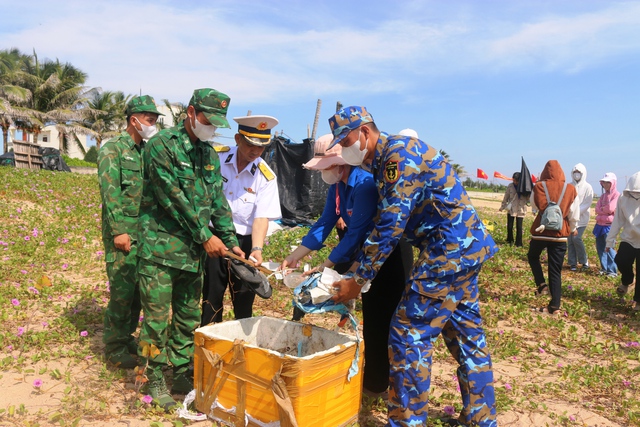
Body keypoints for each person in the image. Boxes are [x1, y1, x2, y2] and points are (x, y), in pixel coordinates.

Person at [328, 106, 498, 427]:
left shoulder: (397, 156)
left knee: (408, 335)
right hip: (462, 248)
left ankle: (407, 422)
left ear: (365, 132)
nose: (343, 147)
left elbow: (390, 224)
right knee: (466, 336)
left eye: (346, 139)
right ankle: (481, 419)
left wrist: (358, 279)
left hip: (447, 250)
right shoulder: (383, 160)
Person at [280, 134, 413, 398]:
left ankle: (396, 388)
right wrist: (297, 254)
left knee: (391, 320)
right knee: (373, 319)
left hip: (387, 258)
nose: (322, 173)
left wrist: (326, 266)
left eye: (325, 167)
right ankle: (375, 383)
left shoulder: (363, 185)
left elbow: (355, 234)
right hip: (365, 257)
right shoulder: (337, 188)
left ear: (341, 164)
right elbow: (324, 223)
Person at [136, 88, 243, 411]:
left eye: (216, 123)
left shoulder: (209, 155)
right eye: (208, 120)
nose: (211, 127)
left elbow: (217, 203)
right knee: (156, 320)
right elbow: (170, 197)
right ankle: (152, 376)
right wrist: (204, 236)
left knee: (186, 318)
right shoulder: (160, 146)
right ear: (192, 112)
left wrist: (232, 241)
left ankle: (181, 372)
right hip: (159, 250)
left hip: (191, 255)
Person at [98, 95, 163, 369]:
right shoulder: (111, 148)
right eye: (150, 120)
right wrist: (118, 231)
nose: (153, 124)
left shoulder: (146, 151)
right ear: (133, 120)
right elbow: (110, 192)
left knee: (138, 290)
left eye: (155, 120)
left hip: (144, 233)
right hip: (123, 233)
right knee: (122, 291)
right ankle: (114, 346)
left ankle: (127, 339)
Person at [201, 115, 282, 325]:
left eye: (261, 147)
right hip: (213, 237)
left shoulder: (266, 176)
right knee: (211, 296)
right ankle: (209, 340)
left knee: (244, 299)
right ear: (238, 139)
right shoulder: (216, 158)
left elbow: (261, 217)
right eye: (250, 144)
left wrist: (257, 248)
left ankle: (240, 347)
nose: (255, 151)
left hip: (244, 243)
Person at [527, 160, 579, 315]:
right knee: (555, 269)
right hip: (560, 233)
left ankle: (541, 285)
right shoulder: (570, 189)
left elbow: (534, 206)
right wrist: (573, 228)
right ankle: (555, 306)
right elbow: (573, 213)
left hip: (541, 232)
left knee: (533, 256)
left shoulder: (539, 186)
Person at [606, 171, 640, 311]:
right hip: (629, 238)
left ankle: (638, 302)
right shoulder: (623, 199)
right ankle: (627, 281)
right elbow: (617, 221)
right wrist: (610, 241)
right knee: (621, 260)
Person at [567, 163, 594, 271]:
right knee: (570, 240)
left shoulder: (588, 187)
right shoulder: (569, 186)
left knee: (576, 238)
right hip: (569, 218)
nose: (576, 175)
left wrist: (576, 212)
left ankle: (584, 261)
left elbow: (587, 203)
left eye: (578, 173)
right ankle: (572, 262)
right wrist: (569, 212)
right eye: (575, 173)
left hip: (582, 219)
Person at [593, 173, 620, 277]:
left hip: (609, 225)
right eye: (604, 182)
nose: (606, 184)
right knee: (600, 248)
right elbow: (596, 209)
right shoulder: (603, 196)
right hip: (599, 224)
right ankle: (604, 268)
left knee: (609, 248)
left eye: (608, 182)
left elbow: (611, 209)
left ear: (613, 183)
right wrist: (604, 210)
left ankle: (613, 270)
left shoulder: (617, 195)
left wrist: (602, 210)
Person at [499, 172, 528, 247]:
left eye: (516, 181)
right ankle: (509, 240)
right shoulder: (510, 186)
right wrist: (502, 206)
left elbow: (529, 198)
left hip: (521, 209)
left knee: (519, 227)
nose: (515, 182)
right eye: (514, 180)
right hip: (511, 209)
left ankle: (519, 243)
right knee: (510, 226)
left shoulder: (525, 187)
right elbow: (506, 197)